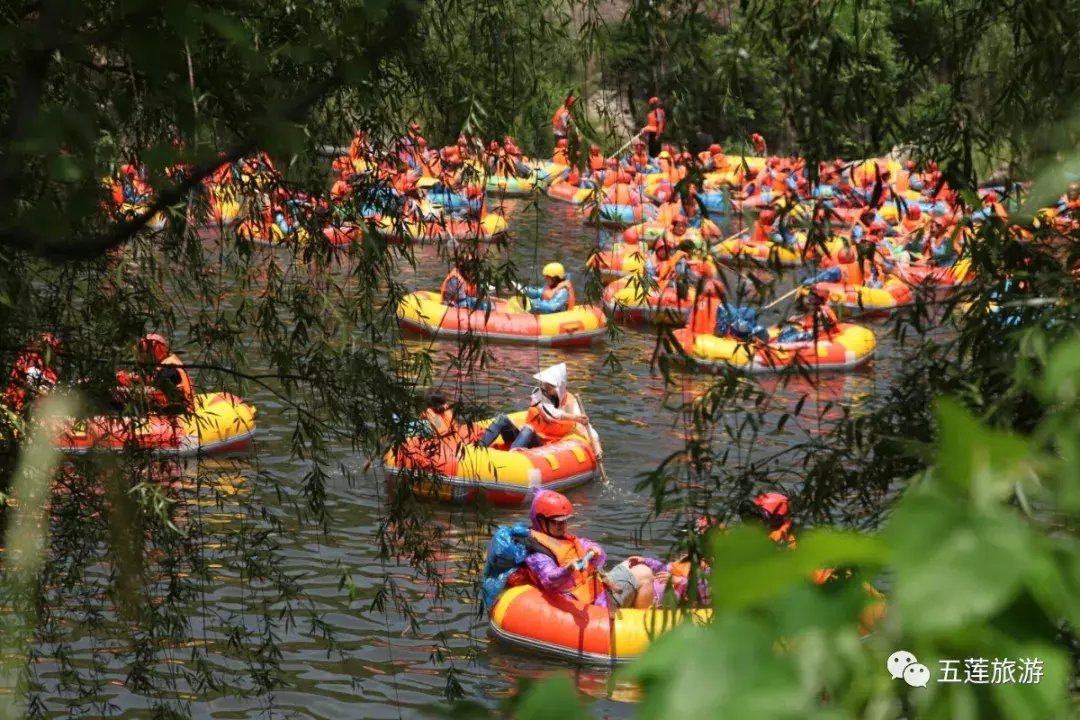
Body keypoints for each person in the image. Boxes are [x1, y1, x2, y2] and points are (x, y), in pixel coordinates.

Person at [523, 491, 657, 609]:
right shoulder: (538, 554)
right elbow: (549, 580)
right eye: (556, 522)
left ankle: (638, 605)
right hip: (591, 604)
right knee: (645, 574)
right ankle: (642, 619)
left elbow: (593, 550)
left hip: (596, 591)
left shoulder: (564, 539)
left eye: (564, 521)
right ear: (540, 521)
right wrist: (567, 570)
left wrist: (595, 550)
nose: (562, 526)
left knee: (635, 564)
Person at [476, 363, 592, 451]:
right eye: (544, 385)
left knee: (528, 430)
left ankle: (512, 458)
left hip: (543, 444)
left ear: (559, 388)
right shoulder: (538, 395)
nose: (545, 388)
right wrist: (575, 418)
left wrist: (596, 446)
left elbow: (586, 426)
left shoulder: (571, 402)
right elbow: (551, 415)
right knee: (502, 419)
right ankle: (479, 449)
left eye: (549, 387)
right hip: (525, 435)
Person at [115, 334, 196, 415]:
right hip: (167, 408)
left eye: (142, 352)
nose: (139, 357)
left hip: (181, 414)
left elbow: (152, 392)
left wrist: (125, 391)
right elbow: (151, 379)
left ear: (155, 350)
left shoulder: (170, 368)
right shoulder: (162, 365)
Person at [4, 333, 62, 414]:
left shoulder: (51, 370)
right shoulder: (27, 359)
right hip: (22, 409)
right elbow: (16, 382)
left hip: (35, 411)